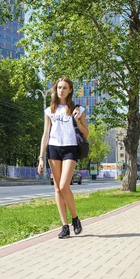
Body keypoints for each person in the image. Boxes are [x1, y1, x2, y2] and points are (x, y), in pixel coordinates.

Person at [37, 77, 89, 239]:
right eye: (59, 87)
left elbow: (85, 133)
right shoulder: (49, 110)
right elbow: (45, 135)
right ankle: (64, 226)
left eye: (64, 88)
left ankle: (75, 218)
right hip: (54, 149)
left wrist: (76, 120)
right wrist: (40, 157)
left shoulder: (77, 109)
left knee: (64, 185)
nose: (61, 90)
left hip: (70, 149)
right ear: (55, 90)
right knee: (57, 188)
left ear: (70, 90)